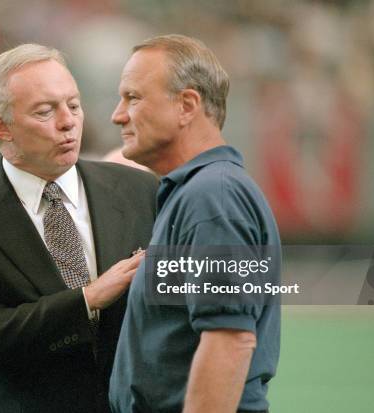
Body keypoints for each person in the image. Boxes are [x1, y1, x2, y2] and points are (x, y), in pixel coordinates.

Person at [0, 43, 157, 413]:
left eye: (74, 106)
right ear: (1, 126)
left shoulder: (139, 189)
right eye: (46, 111)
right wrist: (86, 300)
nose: (68, 122)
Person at [109, 34, 281, 413]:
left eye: (133, 98)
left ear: (187, 105)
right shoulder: (198, 192)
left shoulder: (212, 197)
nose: (117, 114)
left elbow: (229, 340)